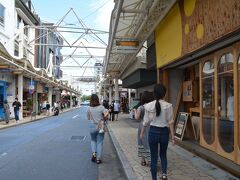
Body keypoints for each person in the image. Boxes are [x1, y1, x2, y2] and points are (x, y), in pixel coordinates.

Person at [140, 84, 175, 180]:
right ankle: (164, 175)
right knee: (163, 154)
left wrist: (142, 133)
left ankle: (154, 178)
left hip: (153, 132)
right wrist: (173, 137)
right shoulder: (169, 105)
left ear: (154, 93)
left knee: (153, 156)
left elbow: (145, 122)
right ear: (164, 94)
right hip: (164, 132)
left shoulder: (148, 106)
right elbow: (170, 122)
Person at [87, 94, 108, 164]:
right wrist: (103, 118)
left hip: (92, 126)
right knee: (99, 142)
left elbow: (88, 118)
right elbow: (106, 115)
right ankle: (98, 159)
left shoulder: (89, 108)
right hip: (100, 126)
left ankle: (94, 154)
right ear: (97, 99)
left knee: (93, 140)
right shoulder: (102, 107)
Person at [134, 91, 152, 166]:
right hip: (151, 126)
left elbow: (137, 118)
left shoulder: (140, 108)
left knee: (142, 142)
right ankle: (151, 160)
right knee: (150, 143)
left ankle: (143, 160)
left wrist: (135, 111)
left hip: (142, 127)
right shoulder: (152, 107)